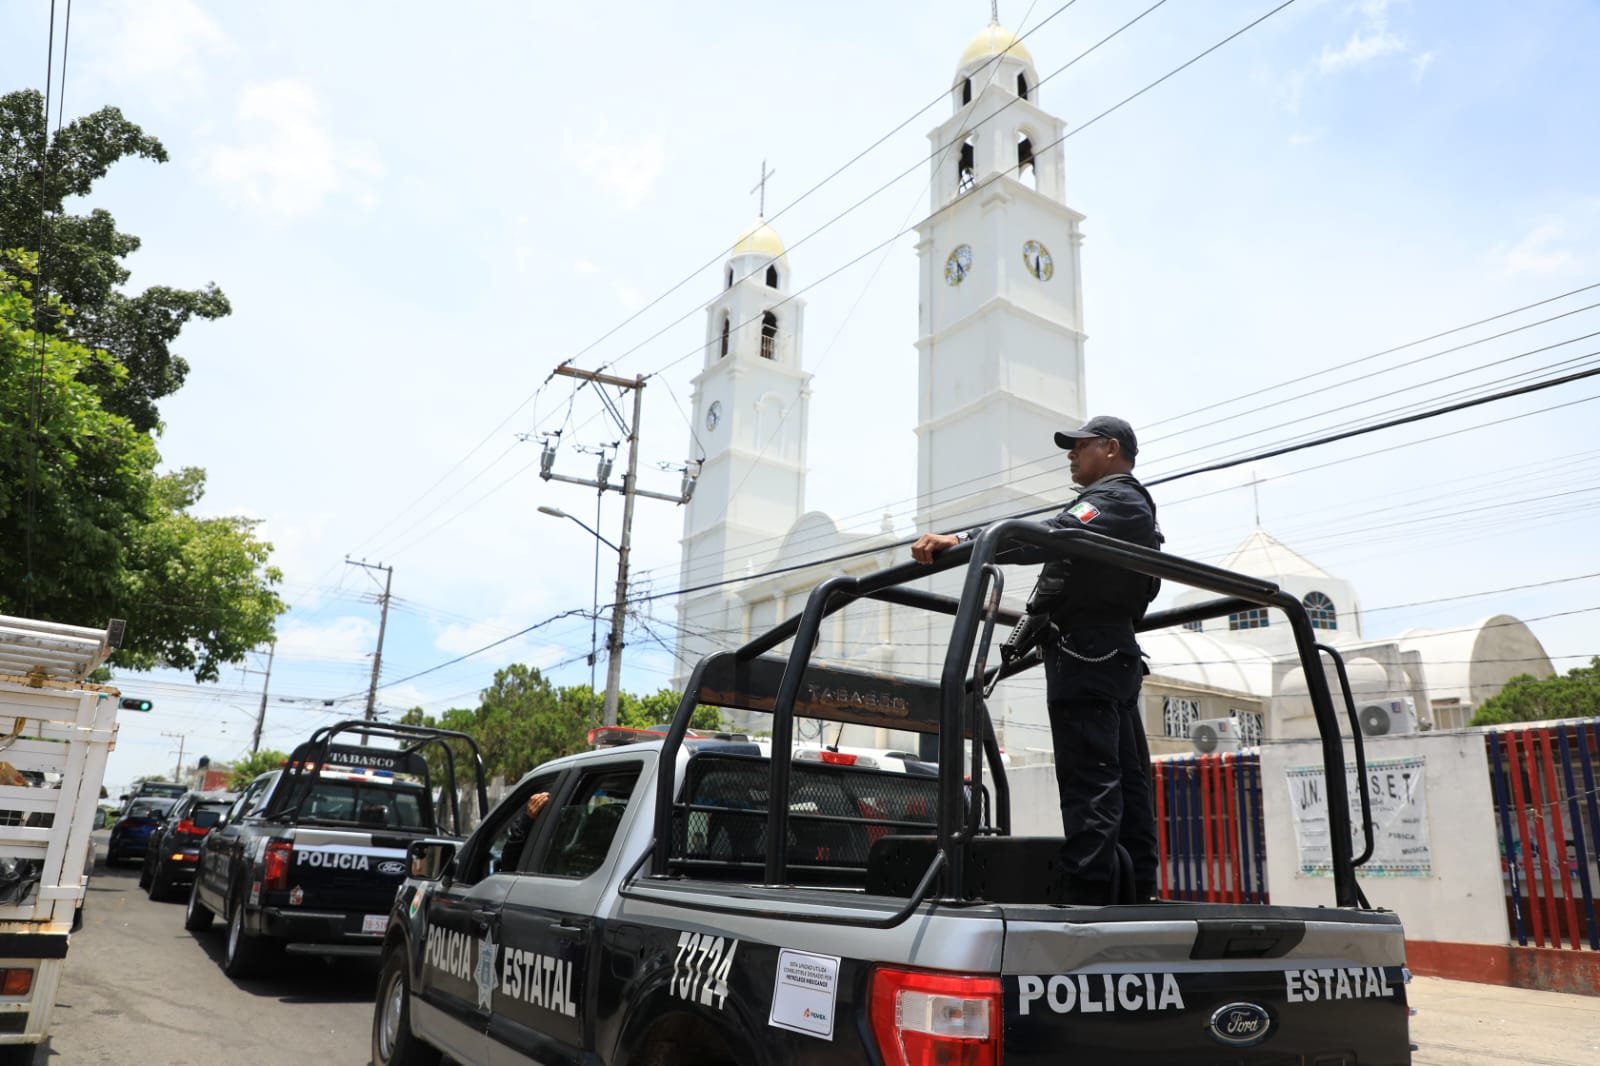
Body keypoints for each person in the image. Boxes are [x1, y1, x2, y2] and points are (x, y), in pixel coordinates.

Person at [910, 415, 1161, 905]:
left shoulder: (1116, 500)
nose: (1070, 454)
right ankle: (1135, 895)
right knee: (1124, 785)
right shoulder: (1117, 503)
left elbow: (1049, 535)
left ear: (1110, 449)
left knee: (1091, 781)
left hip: (1088, 654)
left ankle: (1085, 902)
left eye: (1079, 446)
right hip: (1104, 653)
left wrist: (963, 542)